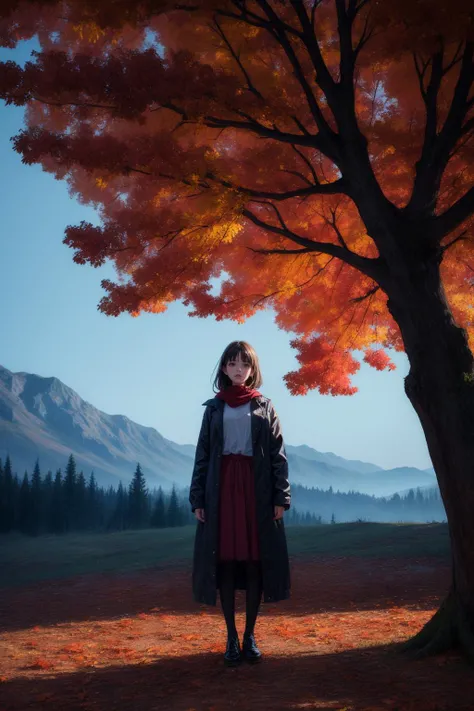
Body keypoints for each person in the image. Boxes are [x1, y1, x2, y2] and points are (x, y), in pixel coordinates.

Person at [189, 340, 291, 666]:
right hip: (220, 490)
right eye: (232, 363)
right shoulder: (213, 408)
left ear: (252, 370)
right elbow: (202, 455)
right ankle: (231, 638)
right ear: (223, 368)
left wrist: (281, 497)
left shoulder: (265, 406)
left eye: (244, 365)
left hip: (255, 489)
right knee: (226, 563)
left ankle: (250, 636)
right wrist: (198, 499)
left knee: (254, 563)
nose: (238, 369)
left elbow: (278, 455)